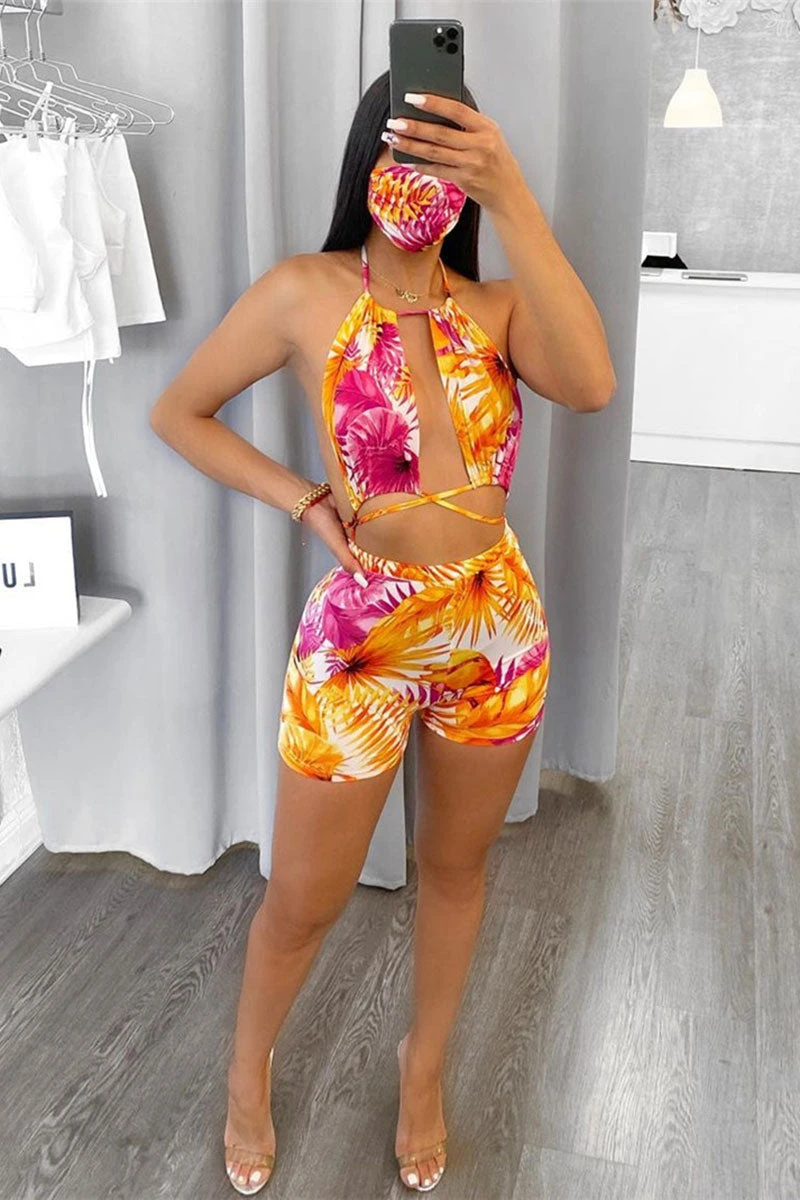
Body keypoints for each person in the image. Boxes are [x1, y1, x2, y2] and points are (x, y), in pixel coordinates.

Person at [150, 70, 615, 1197]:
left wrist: (512, 196)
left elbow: (593, 386)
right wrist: (303, 499)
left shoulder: (498, 307)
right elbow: (179, 412)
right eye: (408, 151)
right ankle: (248, 1076)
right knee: (304, 899)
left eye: (450, 157)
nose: (425, 179)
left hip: (493, 630)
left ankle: (423, 1071)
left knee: (455, 871)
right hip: (361, 637)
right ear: (369, 160)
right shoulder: (304, 291)